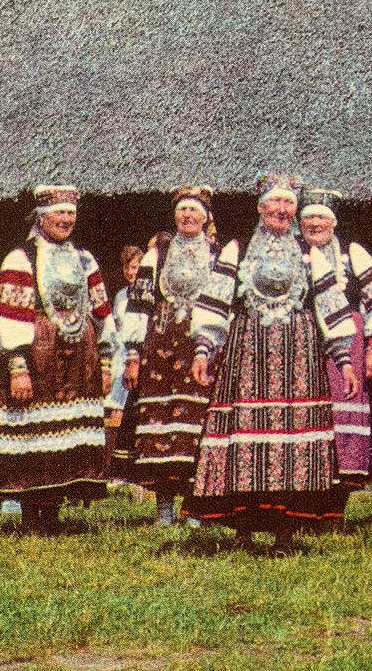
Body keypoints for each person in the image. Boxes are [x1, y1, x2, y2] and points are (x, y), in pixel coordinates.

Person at [185, 173, 357, 555]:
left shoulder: (309, 253)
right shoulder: (238, 249)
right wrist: (203, 349)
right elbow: (215, 301)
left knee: (292, 447)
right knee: (246, 439)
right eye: (274, 204)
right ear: (261, 208)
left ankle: (284, 535)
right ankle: (243, 531)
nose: (281, 210)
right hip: (248, 357)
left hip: (300, 361)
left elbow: (329, 304)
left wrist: (344, 360)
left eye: (288, 204)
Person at [0, 185, 112, 533]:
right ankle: (30, 516)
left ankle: (53, 513)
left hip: (79, 356)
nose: (66, 220)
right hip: (38, 353)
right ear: (41, 217)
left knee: (69, 430)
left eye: (71, 213)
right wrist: (17, 366)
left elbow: (101, 309)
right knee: (33, 431)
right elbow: (9, 317)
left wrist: (105, 359)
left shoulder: (84, 258)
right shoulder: (21, 258)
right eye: (59, 213)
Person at [119, 188, 219, 525]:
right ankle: (164, 508)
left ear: (206, 217)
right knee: (160, 425)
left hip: (202, 351)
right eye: (182, 210)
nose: (188, 216)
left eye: (194, 210)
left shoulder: (218, 257)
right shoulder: (157, 255)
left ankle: (196, 508)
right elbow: (138, 306)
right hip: (161, 348)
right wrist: (133, 354)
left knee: (199, 426)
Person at [297, 188, 372, 521]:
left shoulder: (353, 255)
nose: (314, 223)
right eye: (308, 217)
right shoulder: (292, 253)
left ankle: (336, 509)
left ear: (334, 222)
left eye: (321, 216)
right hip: (301, 341)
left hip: (348, 343)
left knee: (342, 420)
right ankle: (305, 508)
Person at [104, 244, 143, 479]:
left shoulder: (148, 293)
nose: (131, 272)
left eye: (136, 267)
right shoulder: (120, 295)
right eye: (128, 268)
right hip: (119, 354)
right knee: (113, 410)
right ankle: (112, 465)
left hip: (135, 353)